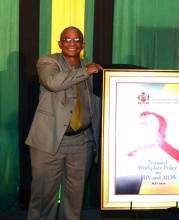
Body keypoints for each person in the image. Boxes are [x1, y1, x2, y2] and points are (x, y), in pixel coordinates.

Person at [25, 26, 102, 220]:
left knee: (74, 202)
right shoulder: (48, 61)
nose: (72, 43)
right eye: (67, 40)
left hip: (82, 142)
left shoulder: (91, 66)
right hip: (49, 142)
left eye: (76, 40)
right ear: (60, 44)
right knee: (44, 199)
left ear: (83, 45)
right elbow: (52, 82)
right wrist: (86, 71)